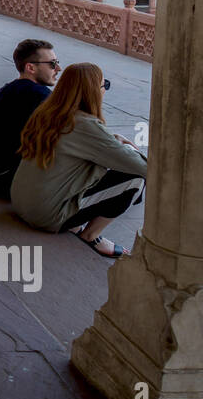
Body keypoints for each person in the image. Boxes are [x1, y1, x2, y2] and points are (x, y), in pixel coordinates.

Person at [10, 63, 147, 258]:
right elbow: (143, 168)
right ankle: (91, 235)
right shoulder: (83, 124)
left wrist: (112, 142)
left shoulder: (48, 113)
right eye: (103, 85)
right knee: (134, 179)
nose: (104, 90)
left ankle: (76, 225)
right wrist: (128, 149)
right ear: (93, 92)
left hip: (21, 203)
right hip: (45, 215)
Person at [0, 39, 61, 198]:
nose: (58, 68)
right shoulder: (39, 95)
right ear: (30, 67)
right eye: (52, 64)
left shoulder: (10, 88)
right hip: (0, 179)